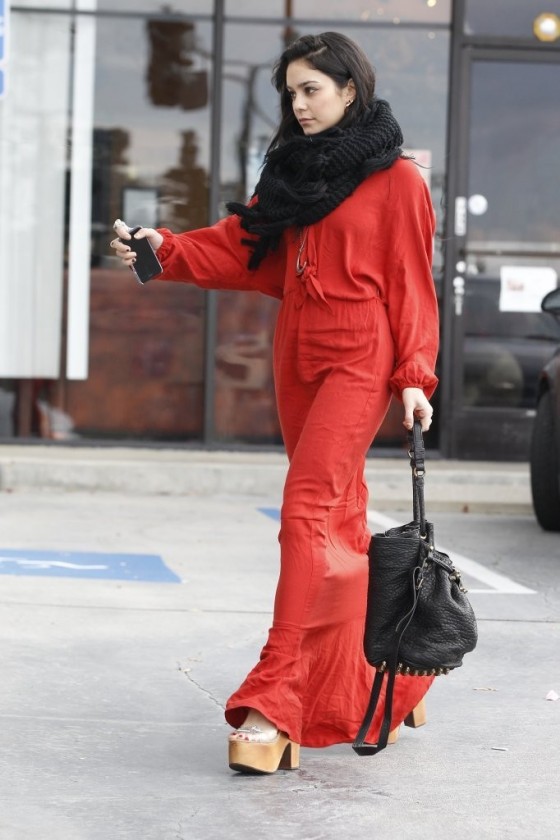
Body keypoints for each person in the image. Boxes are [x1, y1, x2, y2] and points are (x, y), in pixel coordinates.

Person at [111, 31, 439, 775]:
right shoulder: (290, 173)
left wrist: (415, 373)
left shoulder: (400, 180)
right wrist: (163, 247)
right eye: (289, 92)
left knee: (306, 513)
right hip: (299, 352)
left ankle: (274, 697)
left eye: (310, 90)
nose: (298, 104)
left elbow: (413, 281)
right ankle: (388, 679)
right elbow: (243, 247)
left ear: (349, 89)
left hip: (362, 354)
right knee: (340, 523)